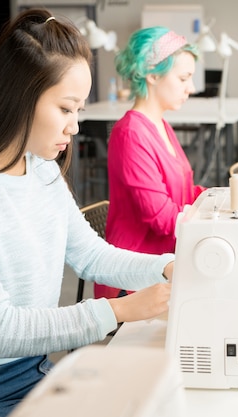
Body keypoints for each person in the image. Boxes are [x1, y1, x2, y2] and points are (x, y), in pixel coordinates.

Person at [0, 9, 174, 417]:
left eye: (78, 110)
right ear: (21, 96)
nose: (75, 127)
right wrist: (116, 311)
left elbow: (92, 257)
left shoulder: (41, 169)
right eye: (66, 109)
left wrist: (169, 267)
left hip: (33, 366)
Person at [94, 26, 206, 299]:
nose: (191, 88)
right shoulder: (131, 133)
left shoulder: (161, 126)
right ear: (153, 74)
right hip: (135, 281)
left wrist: (216, 199)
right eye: (183, 78)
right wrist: (210, 218)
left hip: (164, 266)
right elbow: (162, 219)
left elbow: (184, 193)